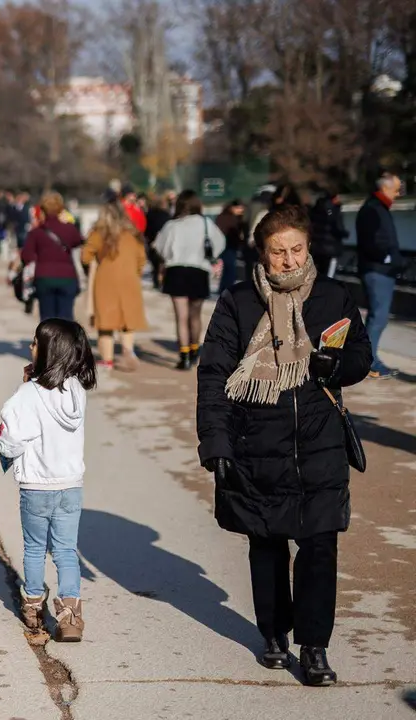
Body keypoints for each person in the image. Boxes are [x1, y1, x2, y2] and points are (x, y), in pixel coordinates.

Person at [196, 203, 372, 686]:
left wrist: (337, 367)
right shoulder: (238, 301)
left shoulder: (333, 296)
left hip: (320, 445)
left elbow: (361, 353)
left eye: (297, 249)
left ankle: (314, 647)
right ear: (262, 253)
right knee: (268, 544)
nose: (289, 260)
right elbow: (213, 373)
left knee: (320, 547)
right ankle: (274, 633)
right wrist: (216, 441)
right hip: (258, 444)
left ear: (309, 247)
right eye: (279, 252)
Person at [0, 318, 96, 643]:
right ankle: (71, 616)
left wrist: (24, 386)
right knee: (66, 550)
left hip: (37, 486)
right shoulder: (77, 391)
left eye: (35, 343)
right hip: (70, 486)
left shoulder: (28, 394)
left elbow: (11, 439)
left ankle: (34, 607)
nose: (30, 347)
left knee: (35, 548)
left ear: (48, 351)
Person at [154, 190, 224, 371]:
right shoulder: (206, 223)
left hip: (176, 270)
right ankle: (194, 350)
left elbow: (160, 247)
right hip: (198, 270)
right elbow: (219, 243)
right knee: (195, 315)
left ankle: (183, 355)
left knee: (181, 316)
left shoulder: (172, 225)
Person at [81, 201, 147, 371]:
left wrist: (95, 262)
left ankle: (107, 360)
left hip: (105, 281)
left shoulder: (98, 233)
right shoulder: (133, 234)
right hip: (130, 280)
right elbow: (141, 259)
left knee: (105, 322)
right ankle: (128, 351)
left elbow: (85, 257)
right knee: (127, 320)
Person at [356, 172, 405, 379]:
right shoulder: (373, 209)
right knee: (378, 318)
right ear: (385, 188)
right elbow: (372, 242)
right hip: (377, 271)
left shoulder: (377, 208)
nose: (398, 194)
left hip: (381, 270)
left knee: (378, 317)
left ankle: (369, 359)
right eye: (396, 189)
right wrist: (387, 258)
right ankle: (369, 362)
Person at [20, 192, 84, 322]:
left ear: (42, 210)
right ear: (61, 209)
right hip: (67, 277)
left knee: (47, 320)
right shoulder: (70, 229)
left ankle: (49, 335)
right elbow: (79, 242)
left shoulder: (36, 232)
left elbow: (26, 256)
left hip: (44, 277)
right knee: (65, 320)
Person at [214, 200, 249, 293]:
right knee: (231, 269)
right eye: (239, 208)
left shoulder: (226, 217)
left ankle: (223, 288)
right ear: (232, 207)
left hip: (228, 246)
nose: (241, 210)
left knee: (227, 268)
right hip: (228, 245)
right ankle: (227, 289)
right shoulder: (229, 218)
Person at [145, 192, 176, 290]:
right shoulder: (166, 215)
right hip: (164, 242)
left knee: (155, 265)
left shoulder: (149, 215)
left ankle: (156, 282)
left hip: (152, 242)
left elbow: (146, 230)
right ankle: (163, 281)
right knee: (163, 263)